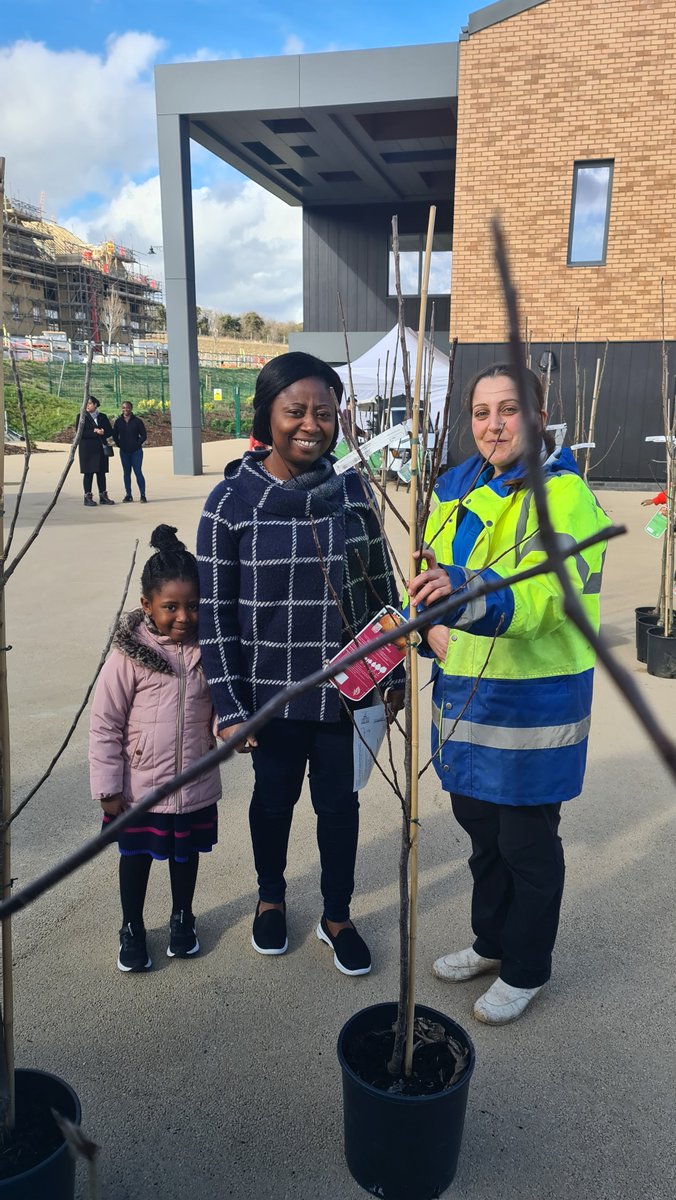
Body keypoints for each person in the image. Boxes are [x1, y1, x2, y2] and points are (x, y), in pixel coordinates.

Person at [407, 362, 610, 1025]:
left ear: (539, 416)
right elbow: (430, 573)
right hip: (466, 694)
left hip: (531, 705)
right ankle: (490, 941)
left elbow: (550, 597)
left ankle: (526, 967)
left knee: (527, 843)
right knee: (482, 836)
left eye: (509, 409)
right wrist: (427, 624)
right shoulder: (456, 487)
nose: (493, 424)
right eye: (481, 412)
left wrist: (462, 597)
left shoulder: (564, 495)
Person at [197, 351, 404, 976]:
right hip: (270, 699)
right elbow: (214, 615)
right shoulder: (231, 500)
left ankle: (336, 916)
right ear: (268, 414)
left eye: (324, 411)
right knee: (273, 801)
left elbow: (380, 591)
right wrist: (231, 708)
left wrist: (390, 676)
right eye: (296, 410)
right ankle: (270, 898)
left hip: (345, 695)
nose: (310, 423)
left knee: (341, 809)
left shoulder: (353, 493)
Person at [89, 525, 221, 972]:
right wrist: (107, 785)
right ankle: (132, 925)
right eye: (171, 607)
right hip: (139, 789)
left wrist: (229, 729)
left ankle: (183, 917)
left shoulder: (209, 651)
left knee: (186, 857)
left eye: (193, 606)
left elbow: (219, 704)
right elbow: (105, 724)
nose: (183, 616)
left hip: (193, 781)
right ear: (147, 606)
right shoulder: (127, 656)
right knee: (137, 859)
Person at [78, 394, 115, 507]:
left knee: (101, 473)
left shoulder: (102, 417)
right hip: (87, 450)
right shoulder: (81, 416)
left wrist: (104, 432)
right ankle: (87, 497)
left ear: (95, 404)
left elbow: (109, 431)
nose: (87, 406)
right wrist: (95, 431)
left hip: (101, 449)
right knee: (88, 473)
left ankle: (103, 496)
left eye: (89, 403)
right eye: (86, 403)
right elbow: (80, 433)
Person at [113, 401, 148, 503]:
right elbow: (115, 435)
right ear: (121, 408)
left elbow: (144, 435)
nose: (125, 410)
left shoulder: (137, 421)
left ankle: (143, 495)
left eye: (127, 408)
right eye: (123, 408)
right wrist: (120, 444)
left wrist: (137, 444)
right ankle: (128, 494)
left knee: (138, 472)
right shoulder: (118, 421)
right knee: (126, 473)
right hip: (124, 451)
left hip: (136, 451)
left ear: (131, 408)